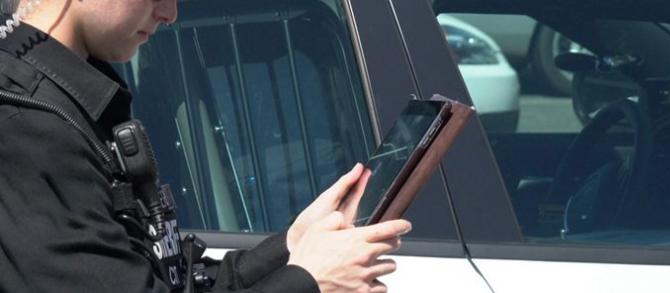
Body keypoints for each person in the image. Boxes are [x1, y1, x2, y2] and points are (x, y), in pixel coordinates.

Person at [0, 0, 411, 292]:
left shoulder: (68, 105)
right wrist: (308, 281)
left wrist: (291, 247)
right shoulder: (27, 128)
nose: (170, 12)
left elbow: (169, 279)